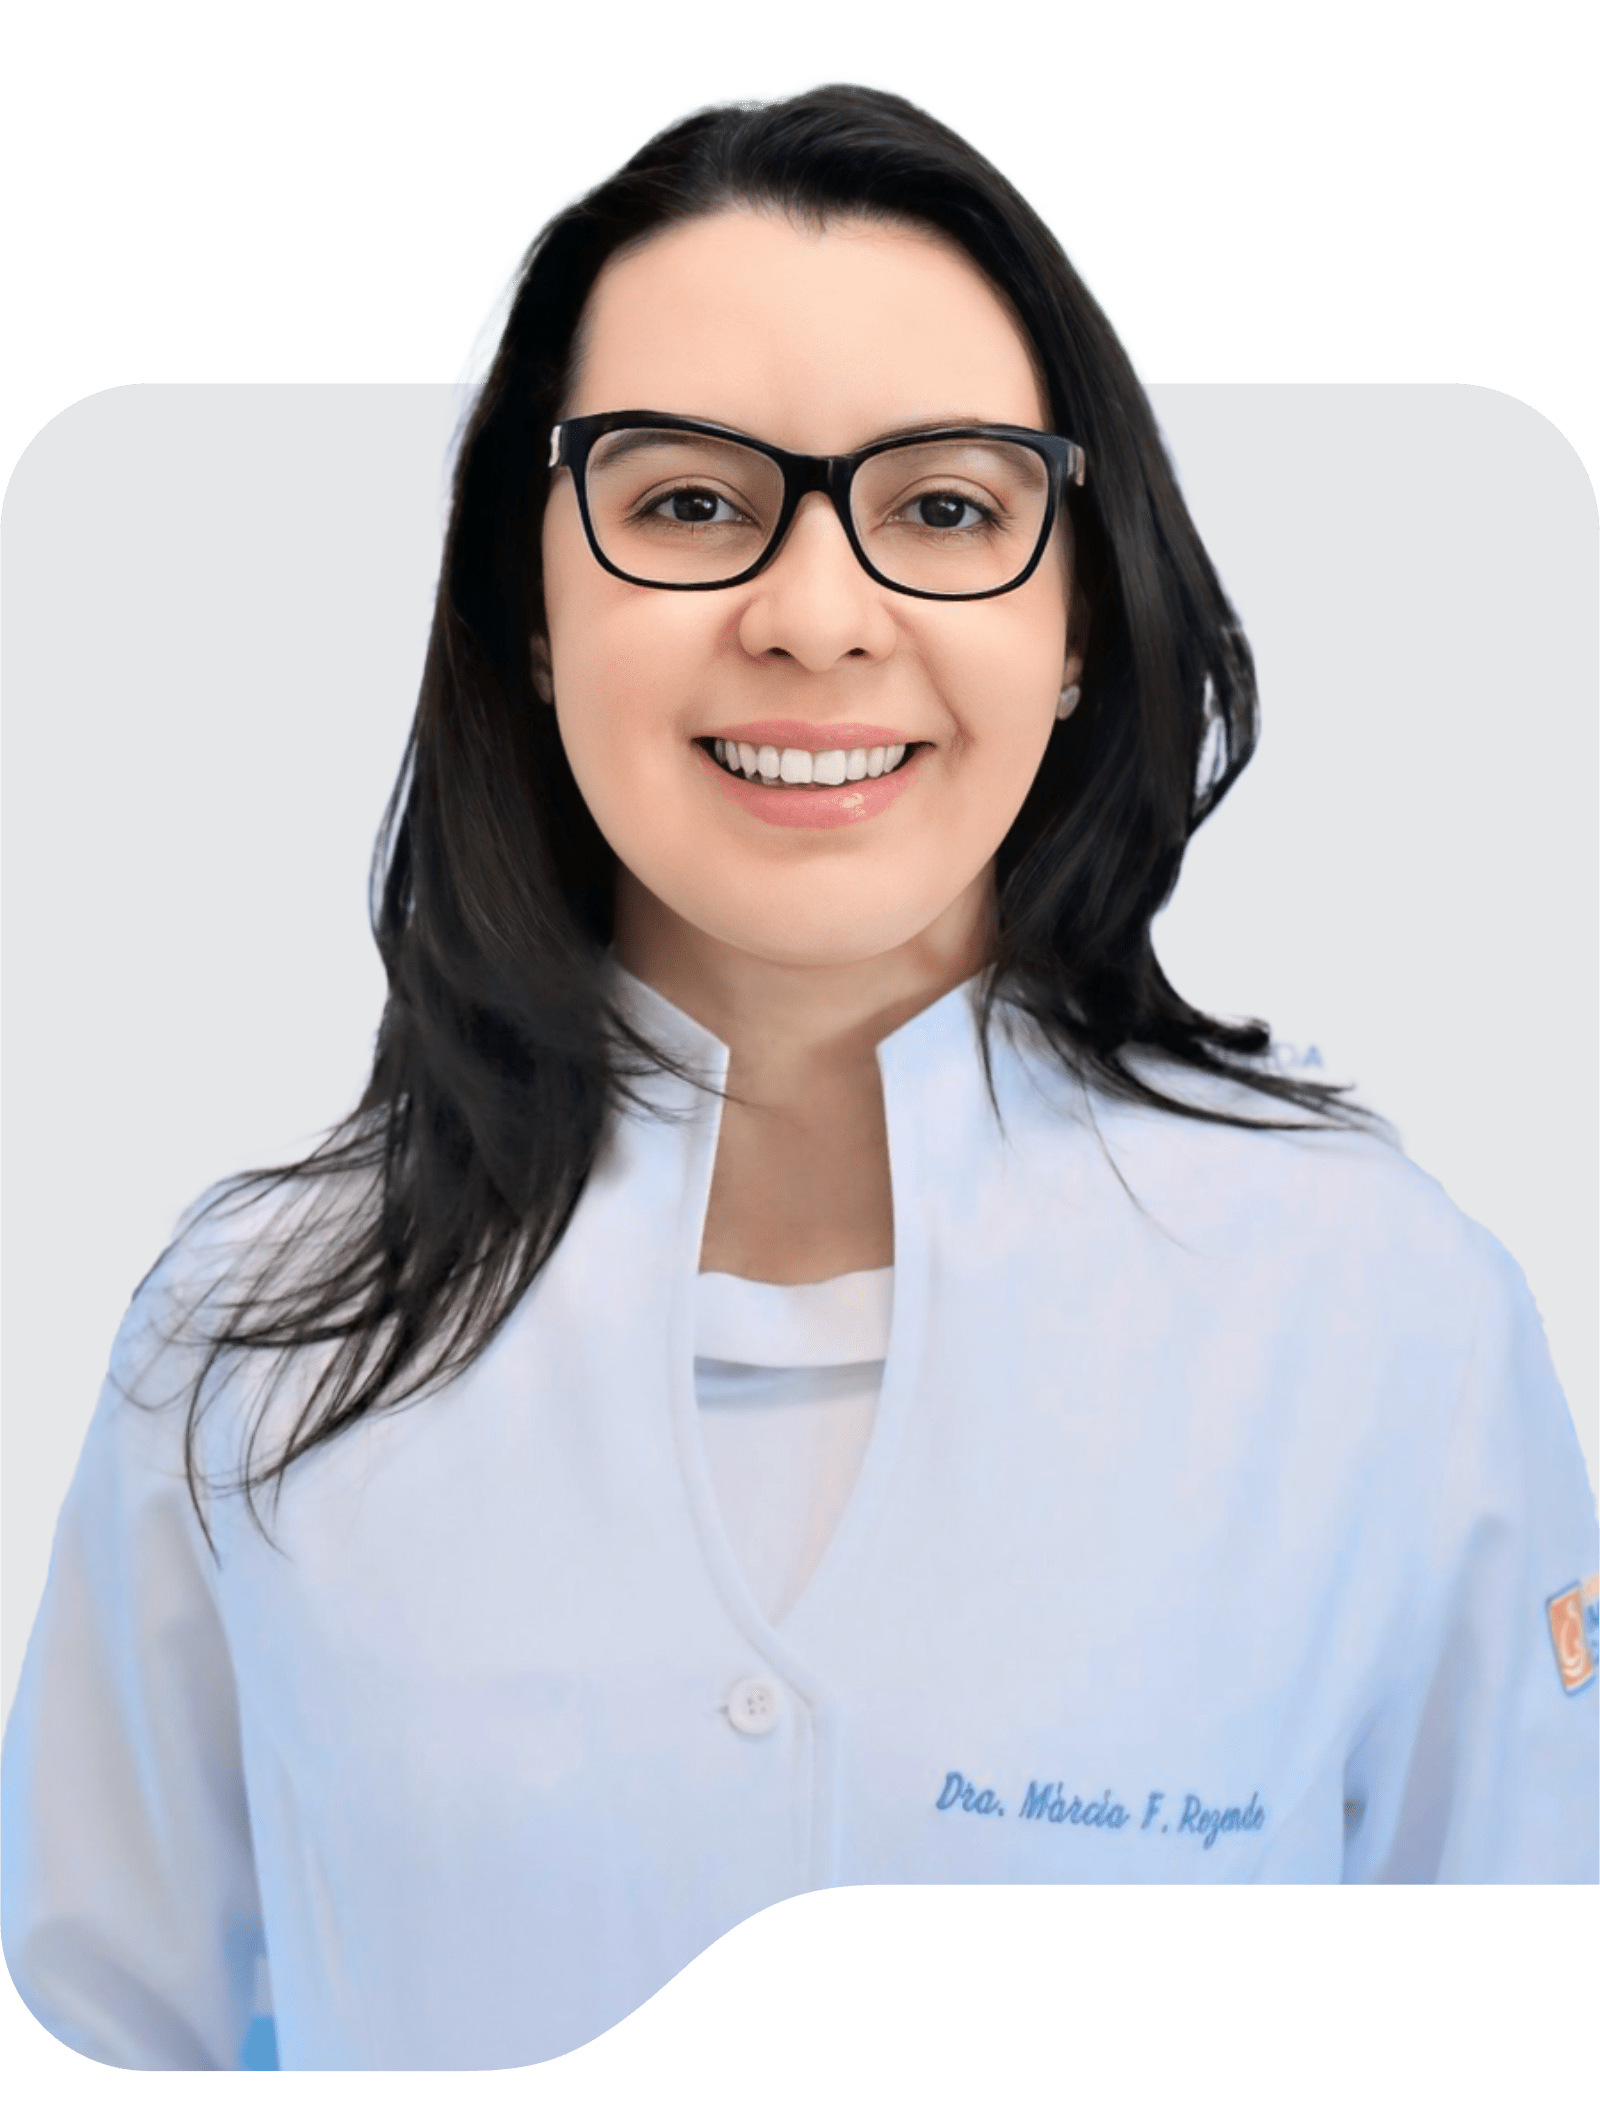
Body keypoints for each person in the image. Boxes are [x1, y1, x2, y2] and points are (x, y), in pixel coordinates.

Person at [4, 79, 1596, 2076]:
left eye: (944, 508)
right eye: (687, 503)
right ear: (525, 602)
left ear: (1077, 615)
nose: (817, 618)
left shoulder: (1381, 1323)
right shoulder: (243, 1350)